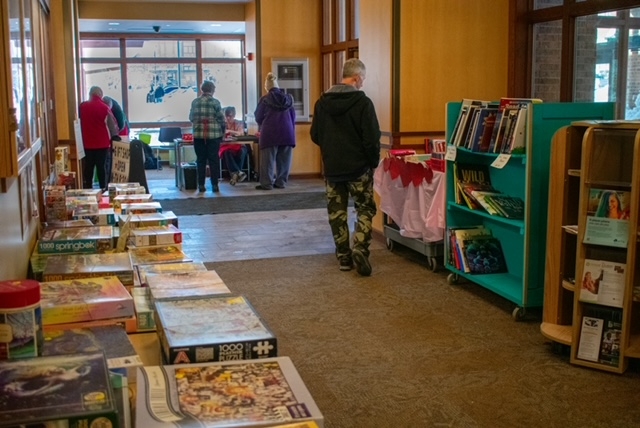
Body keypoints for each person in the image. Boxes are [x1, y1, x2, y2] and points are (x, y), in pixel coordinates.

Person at [310, 58, 381, 276]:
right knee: (365, 208)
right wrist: (372, 162)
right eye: (362, 80)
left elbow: (315, 135)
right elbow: (371, 138)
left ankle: (343, 257)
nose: (362, 84)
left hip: (332, 168)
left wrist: (331, 150)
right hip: (358, 168)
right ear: (357, 78)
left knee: (336, 212)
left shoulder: (322, 103)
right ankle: (359, 246)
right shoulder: (363, 103)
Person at [254, 72, 296, 190]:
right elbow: (293, 116)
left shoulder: (265, 99)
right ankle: (281, 182)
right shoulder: (289, 99)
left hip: (270, 133)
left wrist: (262, 124)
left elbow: (258, 116)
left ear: (267, 87)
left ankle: (266, 184)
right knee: (284, 160)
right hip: (287, 133)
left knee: (268, 160)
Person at [79, 86, 118, 190]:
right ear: (100, 95)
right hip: (102, 143)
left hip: (87, 142)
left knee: (89, 166)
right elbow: (112, 125)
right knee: (101, 166)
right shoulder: (105, 108)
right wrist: (114, 135)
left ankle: (88, 187)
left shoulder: (82, 107)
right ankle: (103, 187)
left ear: (90, 94)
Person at [189, 80, 225, 192]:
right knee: (213, 160)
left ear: (202, 90)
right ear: (212, 90)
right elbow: (221, 119)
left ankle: (201, 185)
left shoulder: (195, 102)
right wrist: (222, 133)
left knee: (200, 160)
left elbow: (191, 118)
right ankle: (214, 185)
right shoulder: (216, 102)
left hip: (199, 135)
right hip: (213, 136)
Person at [219, 106, 248, 186]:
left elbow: (241, 133)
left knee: (242, 151)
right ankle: (239, 173)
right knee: (226, 152)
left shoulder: (238, 123)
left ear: (234, 115)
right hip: (227, 145)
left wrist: (230, 131)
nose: (228, 118)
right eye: (227, 116)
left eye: (230, 116)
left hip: (239, 145)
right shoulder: (222, 124)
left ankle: (235, 175)